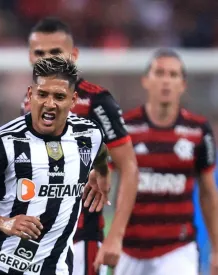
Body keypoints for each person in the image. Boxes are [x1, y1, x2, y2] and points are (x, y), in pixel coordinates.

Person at [0, 56, 110, 274]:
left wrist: (101, 173)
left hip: (55, 268)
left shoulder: (89, 134)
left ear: (73, 100)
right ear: (31, 95)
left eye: (59, 96)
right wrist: (5, 223)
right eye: (42, 94)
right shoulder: (4, 141)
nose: (49, 104)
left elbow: (101, 151)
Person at [21, 17, 139, 274]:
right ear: (30, 56)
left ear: (73, 55)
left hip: (80, 237)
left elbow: (128, 167)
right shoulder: (28, 102)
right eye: (39, 53)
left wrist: (116, 236)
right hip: (35, 238)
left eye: (55, 52)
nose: (46, 59)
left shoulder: (97, 101)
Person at [114, 49, 218, 275]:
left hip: (178, 248)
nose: (166, 81)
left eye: (173, 75)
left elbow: (208, 192)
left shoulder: (198, 130)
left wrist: (217, 249)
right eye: (159, 73)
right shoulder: (125, 128)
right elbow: (103, 180)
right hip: (130, 248)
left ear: (183, 84)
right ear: (146, 80)